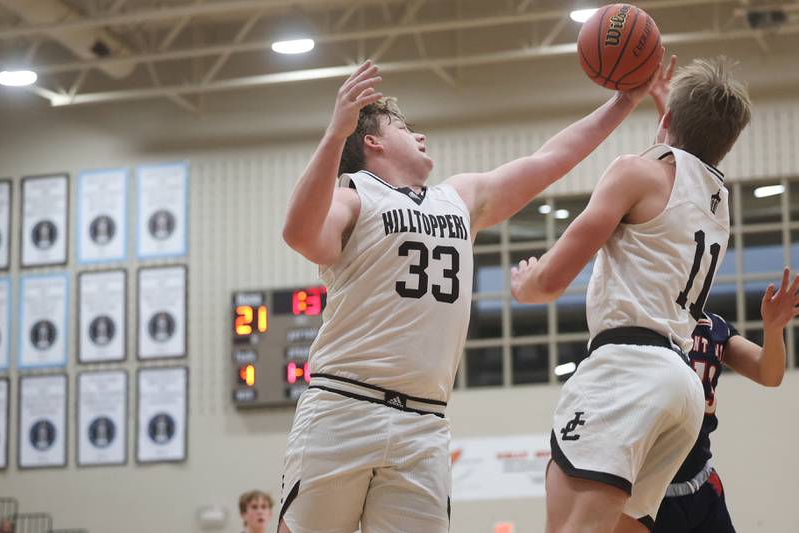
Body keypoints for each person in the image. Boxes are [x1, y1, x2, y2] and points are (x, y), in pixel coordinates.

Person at [279, 54, 662, 533]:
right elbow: (299, 233)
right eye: (402, 126)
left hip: (423, 421)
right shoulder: (352, 195)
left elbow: (548, 159)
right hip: (343, 405)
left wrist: (624, 102)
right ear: (371, 141)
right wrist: (335, 135)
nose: (419, 135)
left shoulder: (458, 197)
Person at [510, 56, 751, 532]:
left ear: (665, 123)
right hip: (681, 390)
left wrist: (526, 285)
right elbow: (688, 161)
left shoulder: (634, 172)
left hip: (626, 369)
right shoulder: (718, 205)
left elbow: (553, 279)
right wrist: (671, 115)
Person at [653, 269, 794, 532]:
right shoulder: (645, 325)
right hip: (650, 491)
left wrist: (773, 330)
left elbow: (769, 374)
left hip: (701, 482)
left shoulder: (715, 328)